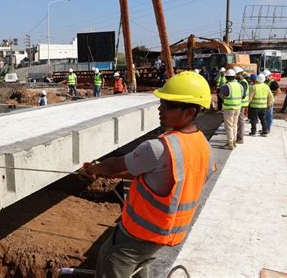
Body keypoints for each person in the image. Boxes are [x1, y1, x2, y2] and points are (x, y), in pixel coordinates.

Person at [79, 71, 216, 278]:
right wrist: (115, 174)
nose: (160, 108)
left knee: (111, 262)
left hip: (136, 235)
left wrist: (93, 169)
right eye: (162, 102)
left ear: (190, 112)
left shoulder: (159, 148)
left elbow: (114, 165)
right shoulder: (203, 146)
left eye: (168, 105)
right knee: (140, 268)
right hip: (165, 234)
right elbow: (163, 177)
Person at [219, 69, 243, 150]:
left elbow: (221, 95)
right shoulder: (239, 85)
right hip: (238, 107)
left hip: (228, 108)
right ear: (234, 76)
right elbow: (242, 96)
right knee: (234, 125)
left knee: (229, 126)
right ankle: (234, 141)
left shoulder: (227, 86)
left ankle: (230, 143)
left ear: (226, 77)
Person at [234, 67, 250, 144]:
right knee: (239, 121)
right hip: (240, 104)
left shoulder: (243, 82)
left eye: (235, 74)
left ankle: (240, 138)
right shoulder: (240, 81)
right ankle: (238, 136)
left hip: (242, 104)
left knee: (240, 121)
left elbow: (242, 95)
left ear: (239, 74)